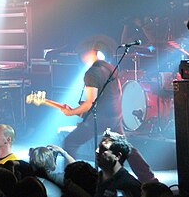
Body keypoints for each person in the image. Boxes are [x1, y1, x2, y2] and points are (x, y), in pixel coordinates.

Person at [58, 43, 156, 183]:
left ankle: (72, 179)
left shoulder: (91, 73)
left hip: (102, 118)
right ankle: (149, 179)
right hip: (115, 116)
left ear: (91, 54)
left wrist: (72, 112)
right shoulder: (109, 67)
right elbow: (117, 93)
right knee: (126, 147)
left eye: (85, 53)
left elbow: (90, 102)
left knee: (71, 142)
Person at [95, 129, 142, 197]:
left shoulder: (130, 185)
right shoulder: (94, 179)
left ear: (117, 156)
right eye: (98, 147)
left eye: (104, 149)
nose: (97, 151)